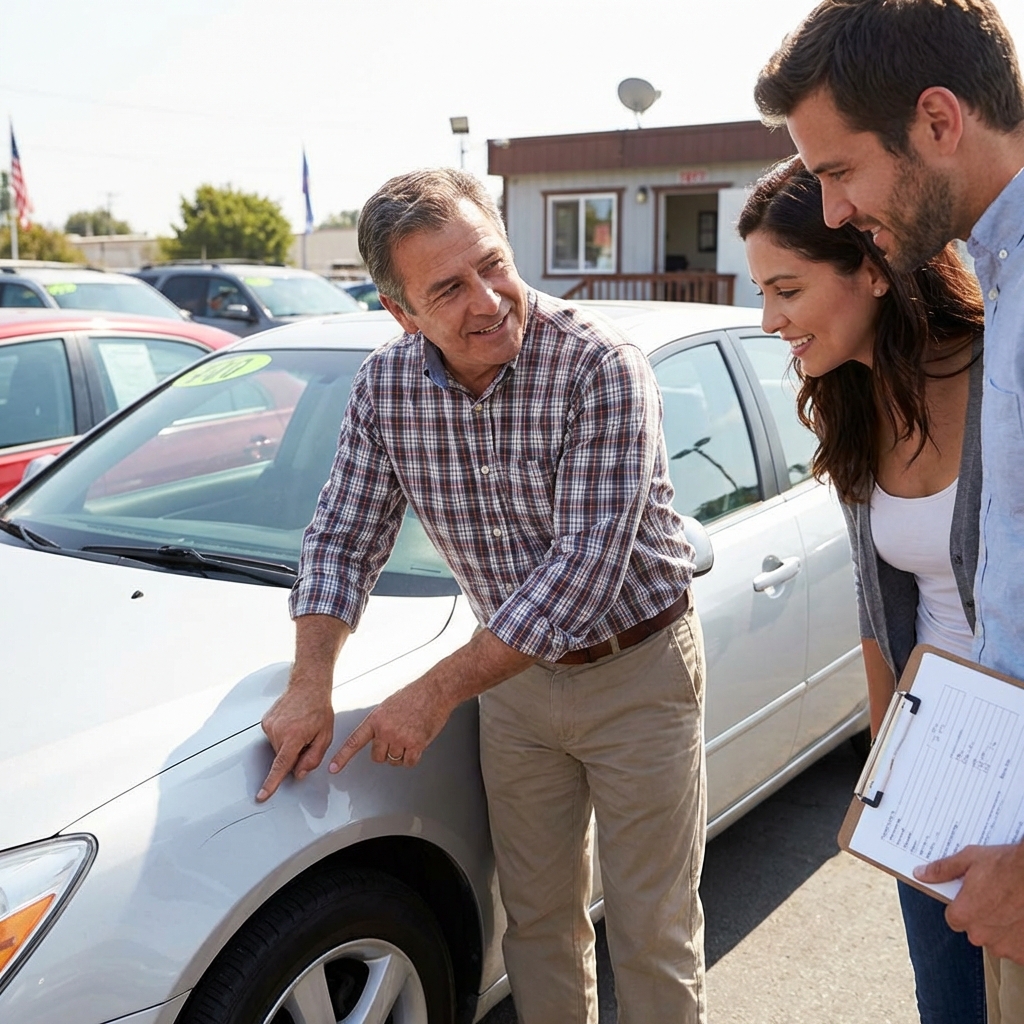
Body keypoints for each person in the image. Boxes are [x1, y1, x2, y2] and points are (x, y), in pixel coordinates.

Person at [256, 167, 708, 1024]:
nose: (490, 300)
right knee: (535, 924)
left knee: (653, 930)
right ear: (402, 313)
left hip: (638, 675)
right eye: (450, 288)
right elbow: (343, 537)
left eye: (493, 265)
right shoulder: (385, 389)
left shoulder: (600, 366)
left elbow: (582, 573)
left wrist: (432, 694)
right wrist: (309, 679)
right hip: (513, 689)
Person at [754, 2, 1024, 1018]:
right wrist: (897, 781)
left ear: (938, 121)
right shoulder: (1006, 284)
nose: (828, 209)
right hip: (969, 796)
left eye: (836, 173)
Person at [740, 157, 985, 1024]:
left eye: (787, 289)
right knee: (950, 1008)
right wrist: (887, 783)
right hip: (931, 779)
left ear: (873, 268)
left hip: (1014, 773)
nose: (769, 319)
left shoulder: (1004, 377)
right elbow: (882, 619)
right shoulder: (851, 404)